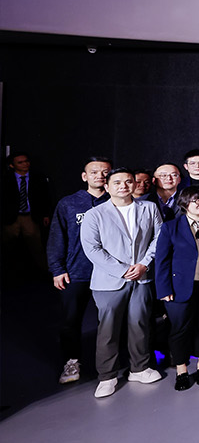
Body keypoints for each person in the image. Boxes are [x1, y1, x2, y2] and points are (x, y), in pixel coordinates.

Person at [79, 168, 164, 398]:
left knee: (140, 324)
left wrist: (145, 264)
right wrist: (122, 270)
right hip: (109, 281)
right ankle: (107, 376)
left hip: (142, 277)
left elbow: (159, 237)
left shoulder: (149, 208)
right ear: (107, 187)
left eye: (128, 181)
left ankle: (140, 368)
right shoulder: (94, 214)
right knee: (108, 329)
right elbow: (92, 248)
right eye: (117, 182)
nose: (124, 186)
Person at [154, 186, 199, 390]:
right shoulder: (171, 227)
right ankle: (182, 370)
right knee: (180, 328)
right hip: (179, 287)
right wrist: (164, 289)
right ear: (185, 204)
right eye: (197, 200)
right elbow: (162, 261)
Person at [47, 156, 111, 384]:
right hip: (76, 272)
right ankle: (71, 361)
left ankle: (108, 364)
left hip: (109, 273)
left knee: (109, 321)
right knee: (71, 321)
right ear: (85, 176)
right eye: (94, 172)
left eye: (105, 172)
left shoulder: (117, 202)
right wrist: (57, 269)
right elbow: (57, 237)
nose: (100, 176)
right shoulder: (68, 203)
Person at [2, 151, 50, 272]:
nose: (25, 164)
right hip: (10, 217)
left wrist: (45, 214)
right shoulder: (6, 178)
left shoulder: (38, 178)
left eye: (26, 161)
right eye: (20, 162)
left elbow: (45, 197)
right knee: (8, 245)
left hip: (30, 216)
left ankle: (45, 273)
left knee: (36, 246)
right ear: (12, 165)